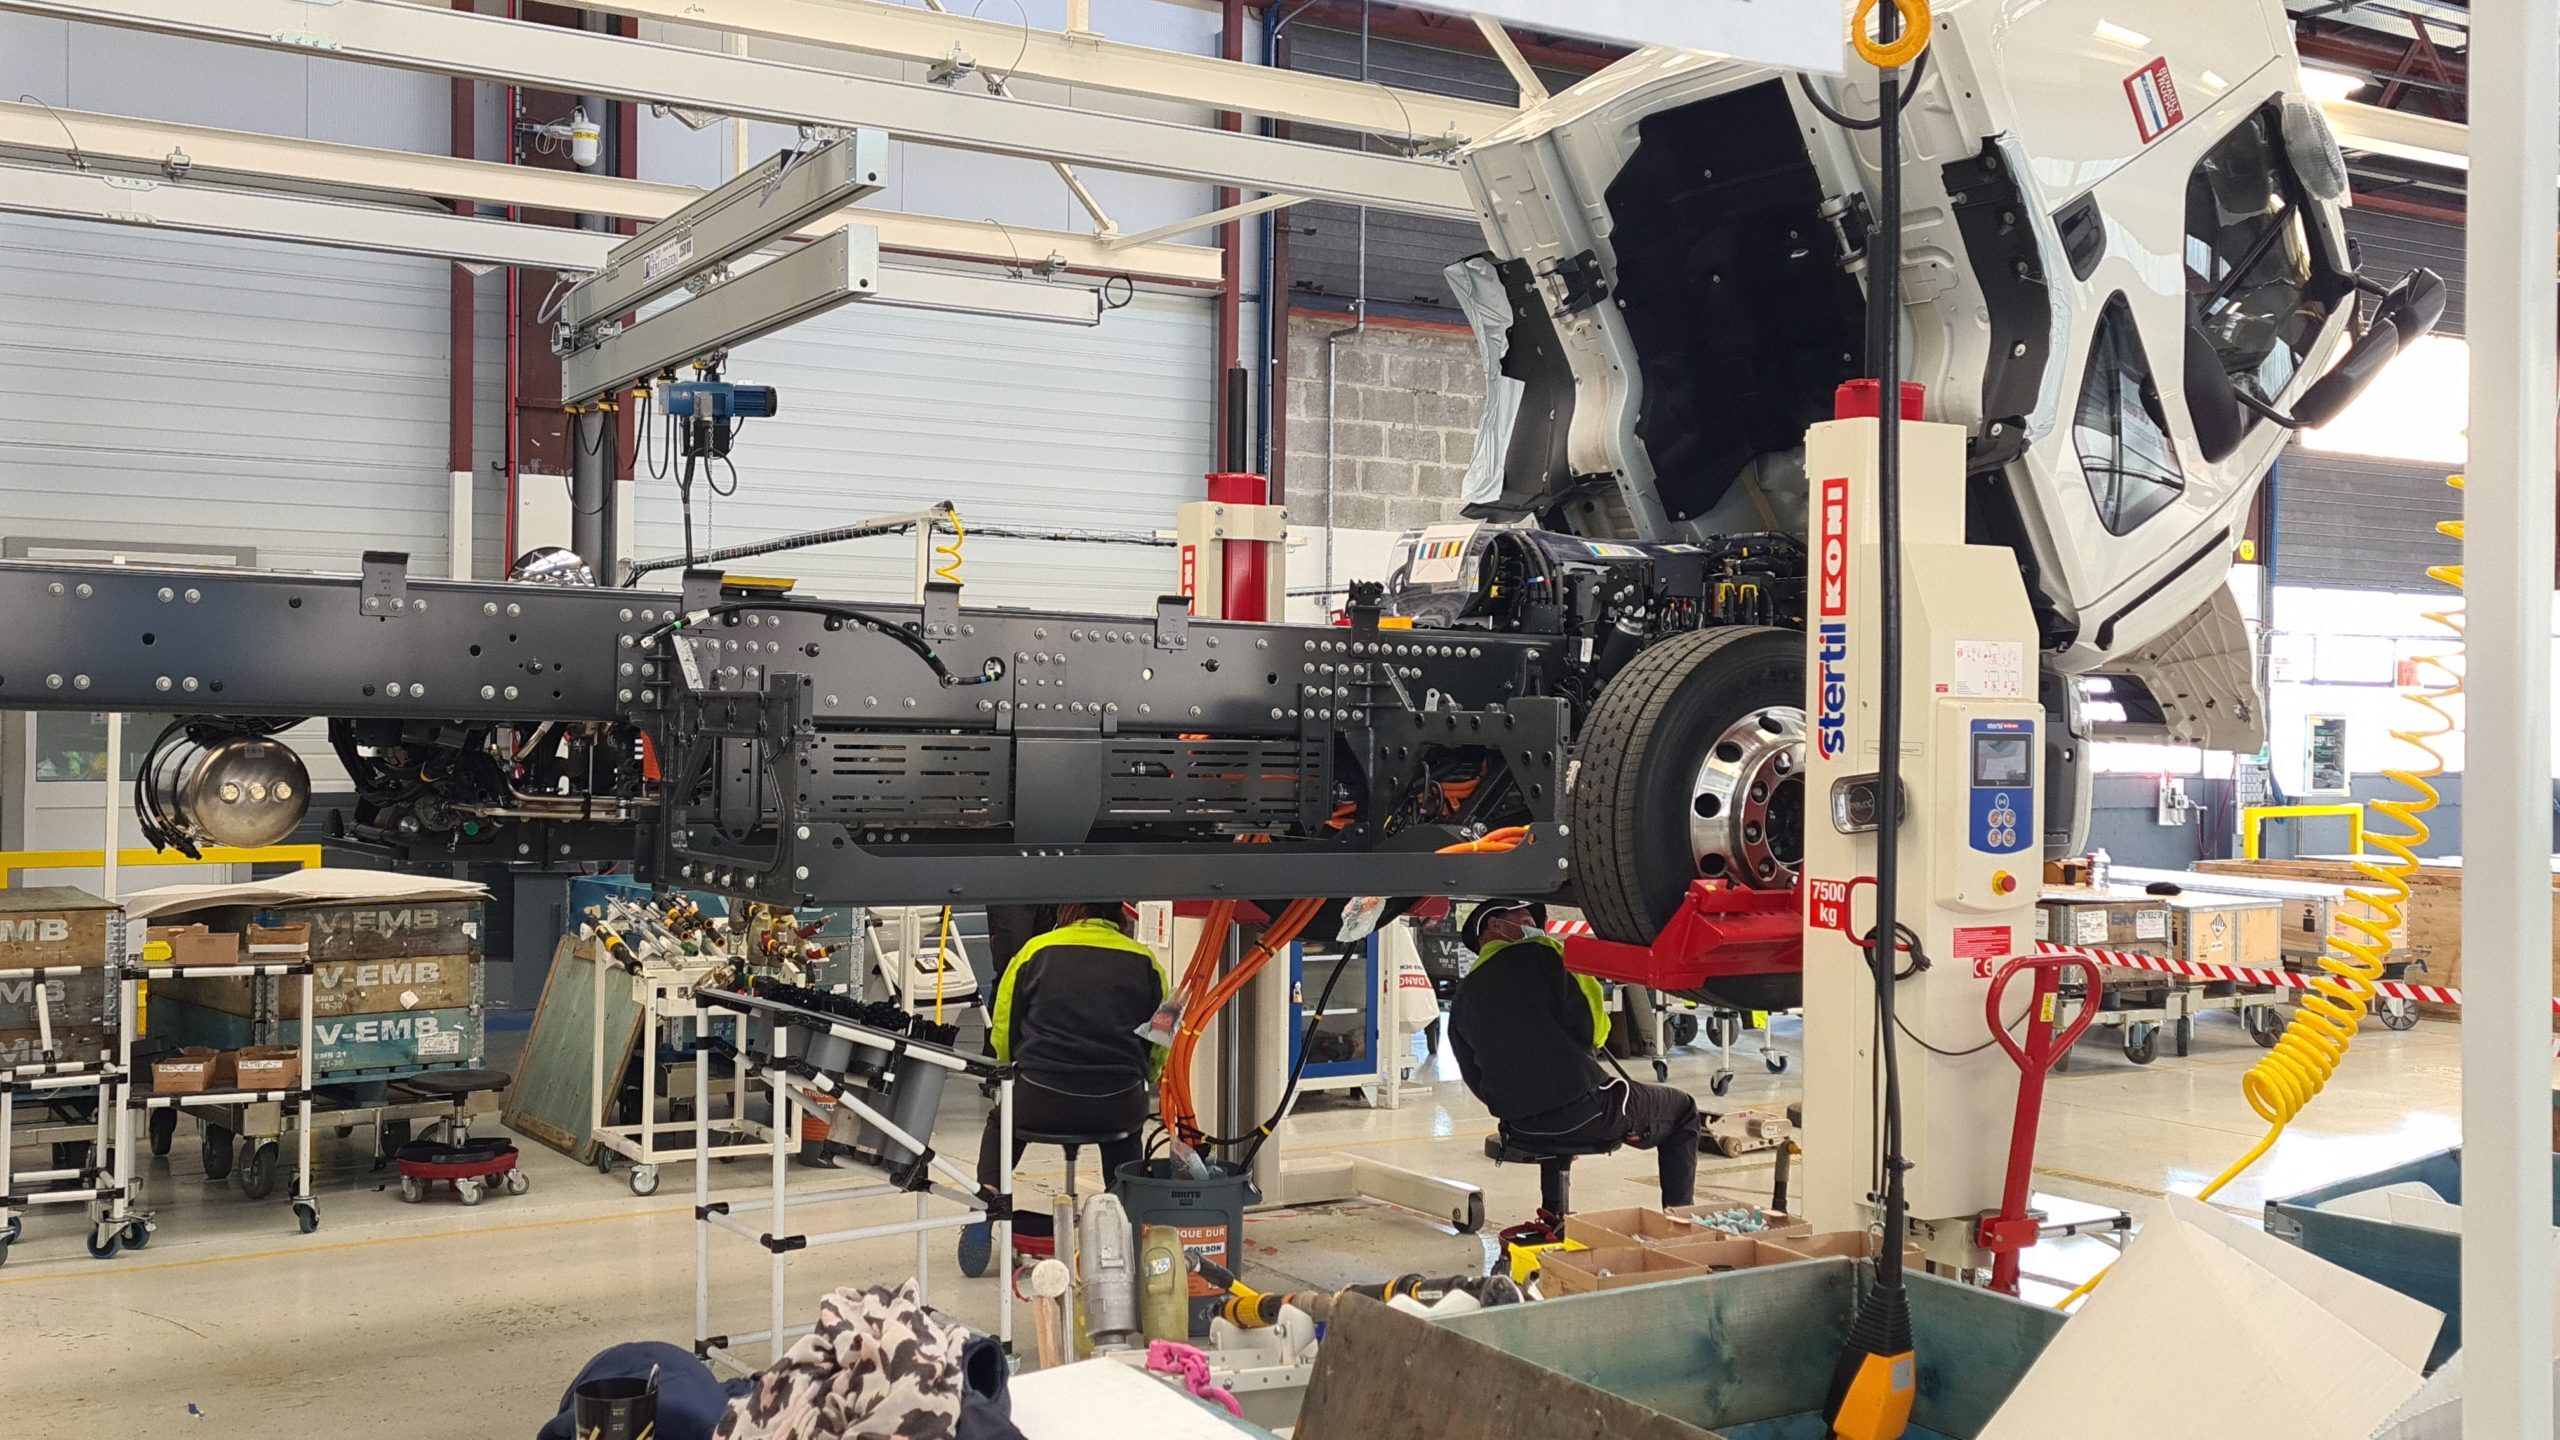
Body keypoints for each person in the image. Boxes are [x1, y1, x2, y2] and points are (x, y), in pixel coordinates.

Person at [1447, 898, 1702, 1209]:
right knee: (1683, 1110)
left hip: (1519, 1128)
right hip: (1587, 1113)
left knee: (1556, 1118)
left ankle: (1554, 1216)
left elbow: (1472, 1073)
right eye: (1526, 921)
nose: (1536, 929)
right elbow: (1596, 1030)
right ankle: (1680, 1220)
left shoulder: (1464, 995)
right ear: (1495, 925)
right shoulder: (1546, 953)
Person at [958, 901, 1168, 1276]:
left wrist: (1015, 1071)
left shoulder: (1034, 952)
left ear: (1068, 910)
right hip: (1116, 1102)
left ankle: (987, 1201)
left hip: (1041, 1097)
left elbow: (1003, 1031)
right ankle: (1123, 1212)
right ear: (1120, 915)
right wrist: (1143, 1078)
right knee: (1126, 1132)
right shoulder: (1146, 961)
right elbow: (1160, 1041)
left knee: (1003, 1121)